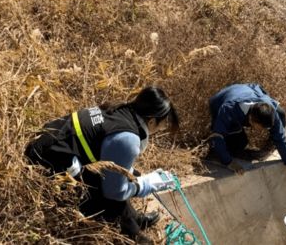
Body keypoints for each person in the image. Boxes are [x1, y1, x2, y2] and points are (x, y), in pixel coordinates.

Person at [24, 86, 180, 243]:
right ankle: (135, 237)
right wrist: (147, 185)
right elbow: (115, 192)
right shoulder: (128, 139)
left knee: (126, 177)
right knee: (108, 192)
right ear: (152, 121)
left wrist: (133, 176)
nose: (161, 129)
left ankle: (135, 219)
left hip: (51, 146)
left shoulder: (118, 110)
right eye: (162, 125)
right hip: (48, 162)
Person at [206, 83, 286, 175]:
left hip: (247, 90)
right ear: (251, 119)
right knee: (239, 143)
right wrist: (229, 162)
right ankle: (215, 153)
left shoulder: (270, 109)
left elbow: (280, 136)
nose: (263, 130)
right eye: (261, 127)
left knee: (281, 113)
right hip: (221, 100)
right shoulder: (229, 109)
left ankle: (270, 145)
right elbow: (217, 135)